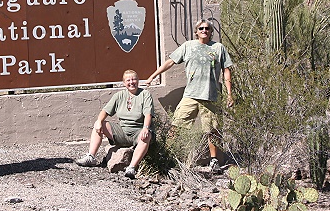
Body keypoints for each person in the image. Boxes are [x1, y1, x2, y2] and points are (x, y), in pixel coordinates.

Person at [145, 19, 233, 174]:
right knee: (177, 124)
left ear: (211, 32)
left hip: (211, 96)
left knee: (213, 130)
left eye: (207, 28)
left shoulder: (218, 48)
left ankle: (214, 161)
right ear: (196, 31)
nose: (204, 30)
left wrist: (229, 94)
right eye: (201, 28)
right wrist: (153, 76)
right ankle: (166, 155)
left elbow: (227, 70)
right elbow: (170, 62)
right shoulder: (188, 46)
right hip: (191, 95)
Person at [76, 69, 155, 179]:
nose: (132, 82)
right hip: (122, 131)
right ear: (124, 83)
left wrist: (146, 128)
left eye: (134, 79)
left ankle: (131, 168)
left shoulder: (145, 94)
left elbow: (148, 114)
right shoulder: (119, 96)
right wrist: (99, 121)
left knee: (147, 135)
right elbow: (105, 111)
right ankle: (91, 157)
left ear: (138, 80)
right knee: (99, 124)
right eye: (128, 80)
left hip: (138, 131)